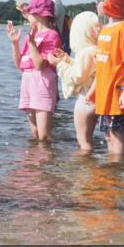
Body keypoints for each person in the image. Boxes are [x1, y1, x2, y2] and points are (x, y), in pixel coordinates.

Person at [85, 0, 124, 158]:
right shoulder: (105, 29)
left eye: (99, 0)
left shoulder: (123, 29)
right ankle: (111, 171)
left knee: (116, 134)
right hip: (104, 93)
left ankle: (118, 168)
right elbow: (101, 67)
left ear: (109, 4)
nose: (96, 4)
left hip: (117, 92)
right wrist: (93, 91)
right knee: (108, 135)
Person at [7, 0, 62, 141]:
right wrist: (15, 43)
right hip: (28, 83)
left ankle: (47, 161)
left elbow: (39, 64)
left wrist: (32, 43)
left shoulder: (52, 35)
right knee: (35, 134)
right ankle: (34, 162)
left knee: (44, 135)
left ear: (39, 15)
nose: (26, 16)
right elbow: (20, 64)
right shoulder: (30, 36)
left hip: (42, 83)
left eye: (29, 13)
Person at [45, 11, 101, 151]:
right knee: (89, 137)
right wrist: (67, 59)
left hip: (85, 102)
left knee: (83, 141)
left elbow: (77, 76)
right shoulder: (97, 50)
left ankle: (83, 167)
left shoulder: (85, 52)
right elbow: (86, 70)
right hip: (96, 101)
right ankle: (90, 166)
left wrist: (59, 64)